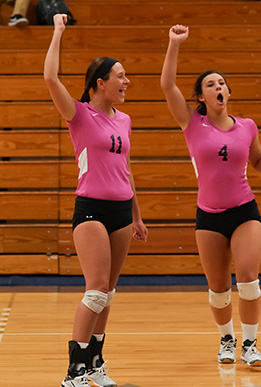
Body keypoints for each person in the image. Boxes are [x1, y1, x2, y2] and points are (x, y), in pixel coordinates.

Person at [160, 24, 261, 367]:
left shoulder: (247, 126)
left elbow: (257, 161)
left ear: (228, 92)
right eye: (211, 85)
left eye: (222, 83)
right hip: (209, 215)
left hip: (245, 211)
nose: (219, 87)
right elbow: (167, 85)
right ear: (201, 97)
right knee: (218, 288)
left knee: (247, 277)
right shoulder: (191, 124)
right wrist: (174, 44)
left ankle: (251, 344)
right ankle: (227, 339)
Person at [44, 13, 148, 387]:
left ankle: (95, 364)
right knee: (96, 287)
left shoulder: (125, 120)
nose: (127, 82)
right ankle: (74, 371)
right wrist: (57, 31)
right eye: (120, 76)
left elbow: (126, 168)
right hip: (91, 209)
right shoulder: (79, 114)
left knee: (109, 293)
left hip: (122, 210)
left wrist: (136, 215)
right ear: (100, 83)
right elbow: (50, 78)